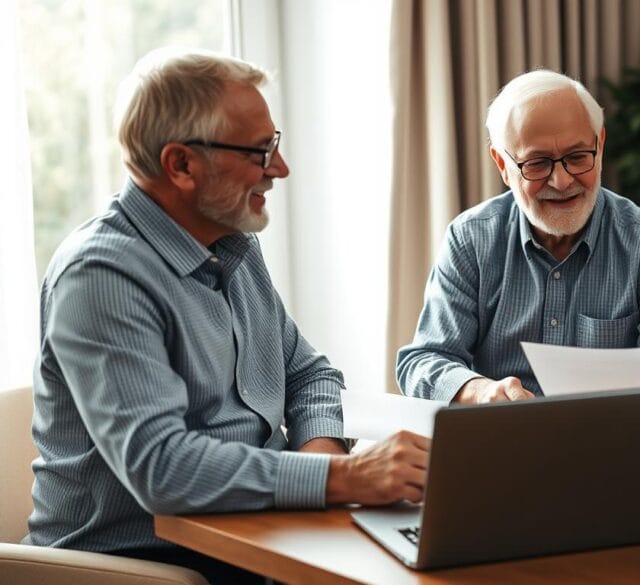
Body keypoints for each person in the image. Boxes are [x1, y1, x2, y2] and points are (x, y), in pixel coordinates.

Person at [27, 48, 429, 584]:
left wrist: (322, 468)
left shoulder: (230, 242)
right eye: (259, 152)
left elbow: (309, 374)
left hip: (258, 539)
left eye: (275, 145)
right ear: (181, 165)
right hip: (143, 567)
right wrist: (347, 478)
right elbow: (163, 468)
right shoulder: (99, 277)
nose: (279, 170)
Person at [396, 69, 640, 403]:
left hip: (614, 445)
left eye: (577, 157)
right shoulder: (470, 239)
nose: (561, 181)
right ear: (502, 164)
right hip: (500, 441)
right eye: (537, 163)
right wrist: (480, 391)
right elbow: (422, 361)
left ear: (599, 146)